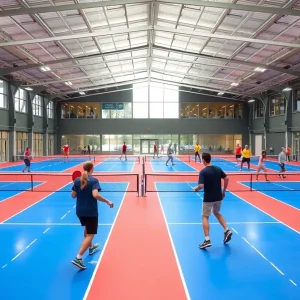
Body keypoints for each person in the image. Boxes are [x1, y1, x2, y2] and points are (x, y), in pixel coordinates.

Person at [71, 161, 114, 270]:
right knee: (90, 234)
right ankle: (78, 257)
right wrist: (107, 201)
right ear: (91, 169)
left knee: (87, 228)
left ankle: (91, 247)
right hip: (90, 211)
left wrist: (74, 186)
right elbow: (95, 195)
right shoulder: (94, 181)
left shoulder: (77, 180)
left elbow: (73, 196)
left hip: (80, 211)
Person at [194, 153, 231, 249]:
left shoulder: (203, 171)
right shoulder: (218, 169)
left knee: (205, 216)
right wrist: (224, 191)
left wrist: (196, 189)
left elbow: (201, 186)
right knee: (216, 212)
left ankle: (207, 240)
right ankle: (227, 230)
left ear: (204, 160)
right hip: (218, 197)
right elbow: (227, 178)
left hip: (208, 198)